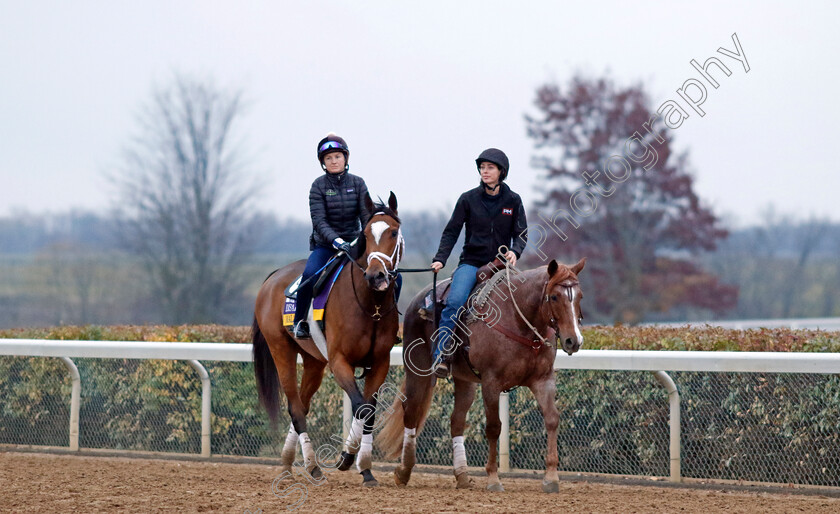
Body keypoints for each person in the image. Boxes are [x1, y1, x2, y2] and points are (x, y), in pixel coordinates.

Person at [430, 148, 527, 377]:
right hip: (471, 263)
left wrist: (515, 251)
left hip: (501, 266)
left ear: (501, 172)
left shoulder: (513, 200)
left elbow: (521, 234)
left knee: (525, 301)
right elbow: (451, 231)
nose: (485, 171)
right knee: (454, 302)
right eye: (482, 167)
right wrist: (440, 259)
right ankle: (441, 355)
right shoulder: (468, 199)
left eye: (490, 167)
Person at [293, 133, 402, 339]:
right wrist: (336, 241)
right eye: (328, 158)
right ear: (323, 163)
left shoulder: (359, 183)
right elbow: (319, 221)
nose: (334, 161)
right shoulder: (318, 186)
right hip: (326, 245)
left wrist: (363, 239)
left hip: (355, 242)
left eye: (337, 157)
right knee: (309, 275)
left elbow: (366, 217)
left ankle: (389, 323)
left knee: (396, 277)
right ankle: (300, 322)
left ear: (345, 158)